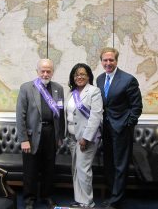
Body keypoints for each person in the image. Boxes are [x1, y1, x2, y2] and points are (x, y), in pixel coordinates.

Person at [96, 47, 143, 209]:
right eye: (105, 60)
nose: (108, 63)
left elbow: (136, 107)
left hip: (122, 129)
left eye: (111, 60)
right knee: (108, 163)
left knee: (120, 164)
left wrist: (128, 124)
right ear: (101, 61)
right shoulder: (100, 79)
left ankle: (116, 200)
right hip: (106, 129)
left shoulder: (128, 80)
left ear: (116, 61)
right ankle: (111, 194)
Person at [16, 59, 65, 209]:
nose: (45, 73)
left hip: (51, 133)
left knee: (49, 168)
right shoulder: (26, 88)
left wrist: (60, 136)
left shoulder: (58, 88)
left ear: (52, 71)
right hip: (31, 136)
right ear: (37, 71)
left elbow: (60, 114)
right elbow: (20, 115)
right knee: (30, 169)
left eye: (48, 71)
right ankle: (29, 200)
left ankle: (46, 196)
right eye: (42, 70)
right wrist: (23, 139)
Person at [65, 63, 103, 208]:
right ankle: (79, 199)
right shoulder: (71, 92)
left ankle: (87, 202)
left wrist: (85, 138)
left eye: (83, 74)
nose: (79, 77)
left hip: (86, 138)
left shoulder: (94, 91)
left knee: (83, 169)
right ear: (73, 77)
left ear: (88, 76)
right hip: (72, 137)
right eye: (76, 74)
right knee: (76, 168)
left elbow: (95, 117)